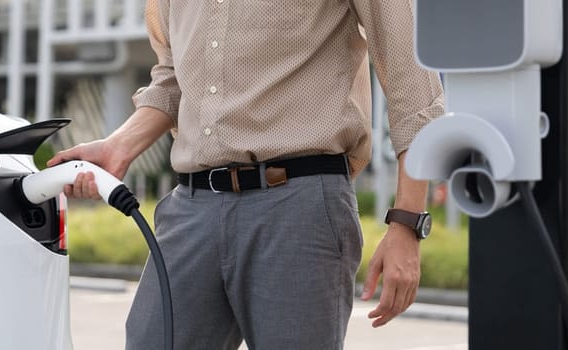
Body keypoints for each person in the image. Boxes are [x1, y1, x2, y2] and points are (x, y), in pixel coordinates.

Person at [48, 0, 444, 348]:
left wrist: (407, 223)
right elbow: (172, 77)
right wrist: (119, 146)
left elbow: (414, 83)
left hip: (297, 208)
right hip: (192, 209)